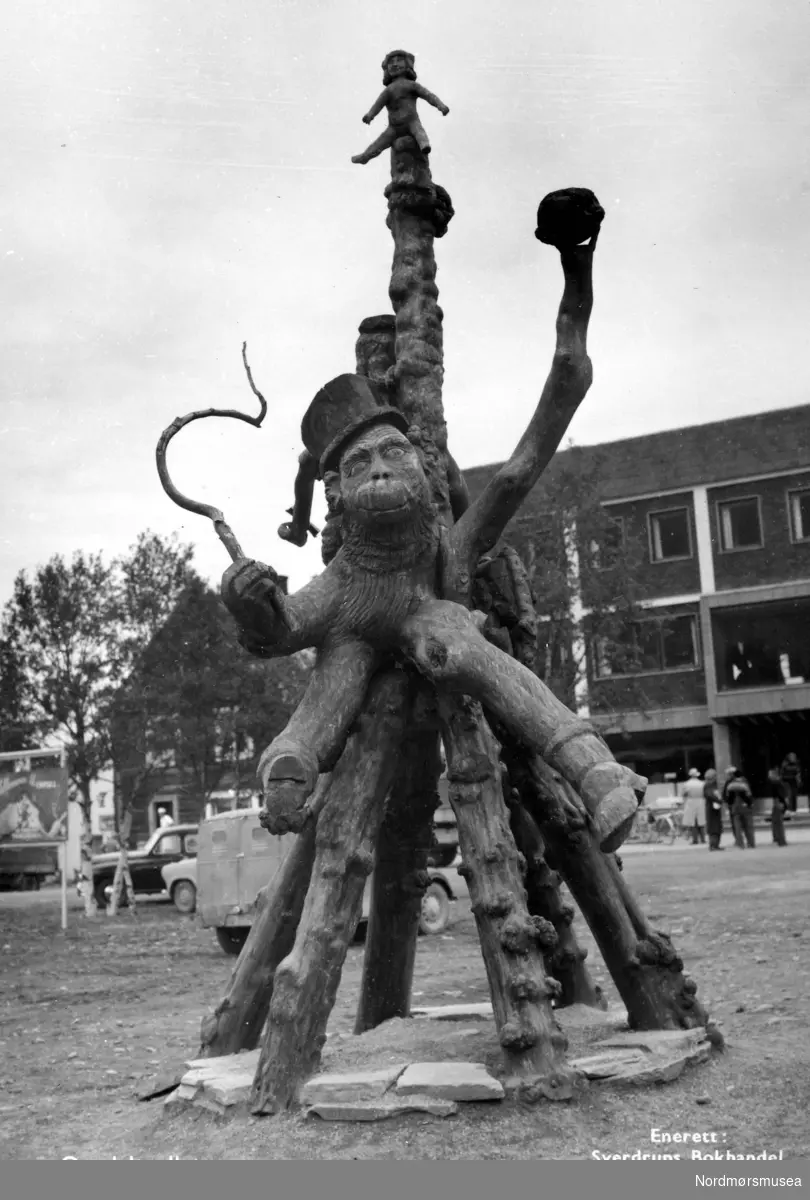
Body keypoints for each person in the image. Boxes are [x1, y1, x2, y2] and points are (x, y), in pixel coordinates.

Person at [725, 768, 756, 849]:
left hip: (735, 807)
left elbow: (728, 798)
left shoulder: (731, 785)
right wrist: (750, 804)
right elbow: (749, 796)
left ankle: (740, 844)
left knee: (737, 827)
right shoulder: (745, 784)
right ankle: (751, 843)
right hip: (745, 807)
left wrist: (730, 805)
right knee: (748, 827)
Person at [681, 768, 706, 845]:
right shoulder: (702, 783)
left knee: (693, 822)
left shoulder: (687, 784)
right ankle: (703, 839)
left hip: (691, 802)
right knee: (701, 822)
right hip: (701, 802)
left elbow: (684, 794)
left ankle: (695, 840)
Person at [703, 768, 724, 851]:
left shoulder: (712, 784)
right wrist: (719, 799)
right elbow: (710, 795)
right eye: (715, 776)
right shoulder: (708, 785)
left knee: (717, 827)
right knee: (714, 828)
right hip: (711, 808)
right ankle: (713, 845)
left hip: (714, 808)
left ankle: (716, 845)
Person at [767, 767, 788, 847]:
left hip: (778, 803)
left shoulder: (776, 783)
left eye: (769, 774)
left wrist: (780, 803)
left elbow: (779, 795)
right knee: (776, 821)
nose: (768, 776)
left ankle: (781, 840)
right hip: (779, 802)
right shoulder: (778, 783)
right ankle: (778, 838)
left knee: (778, 822)